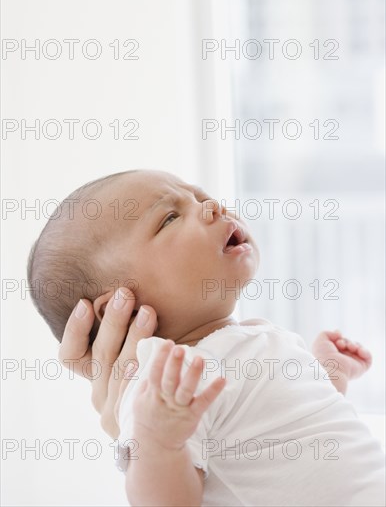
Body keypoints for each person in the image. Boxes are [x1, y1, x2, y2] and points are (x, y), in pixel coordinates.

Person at [28, 169, 385, 506]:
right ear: (128, 308)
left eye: (200, 197)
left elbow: (293, 424)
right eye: (170, 217)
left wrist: (328, 373)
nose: (213, 206)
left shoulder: (255, 334)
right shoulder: (164, 383)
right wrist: (158, 443)